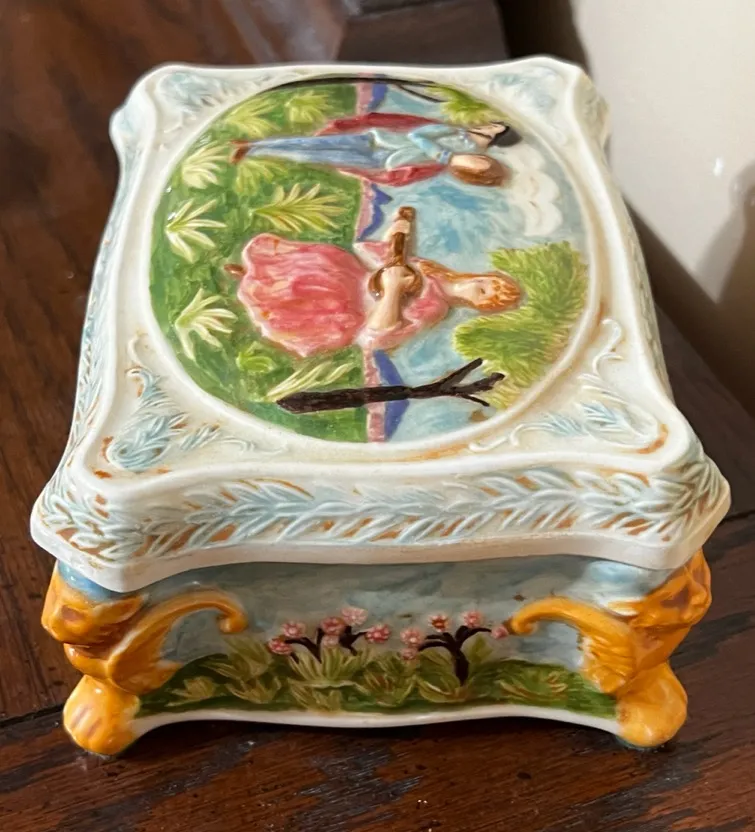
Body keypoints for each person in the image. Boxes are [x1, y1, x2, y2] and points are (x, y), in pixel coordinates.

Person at [230, 112, 520, 188]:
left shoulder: (472, 156)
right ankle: (253, 146)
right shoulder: (454, 133)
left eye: (493, 126)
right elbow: (417, 134)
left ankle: (254, 150)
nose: (486, 124)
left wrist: (448, 159)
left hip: (384, 161)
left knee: (311, 154)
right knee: (310, 145)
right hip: (376, 141)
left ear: (495, 134)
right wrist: (444, 155)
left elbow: (432, 166)